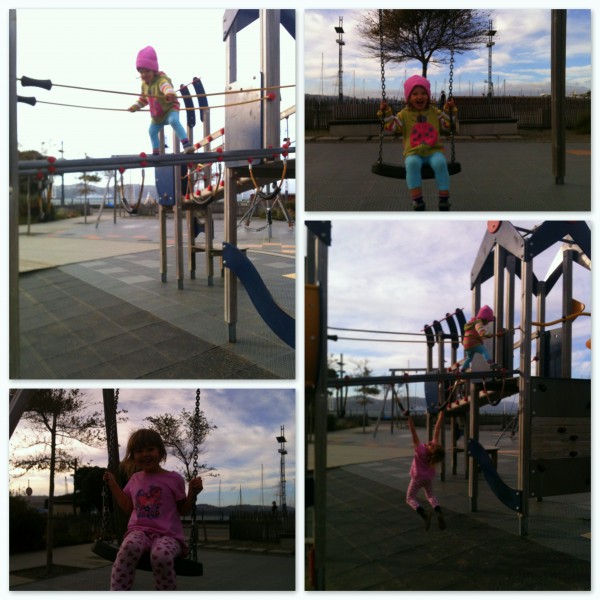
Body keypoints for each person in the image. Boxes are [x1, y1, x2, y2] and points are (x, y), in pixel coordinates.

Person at [103, 428, 203, 591]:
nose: (145, 454)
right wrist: (113, 485)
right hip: (139, 531)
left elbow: (183, 510)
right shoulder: (135, 479)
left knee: (161, 556)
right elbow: (129, 507)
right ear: (133, 456)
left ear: (160, 452)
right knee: (128, 548)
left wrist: (192, 493)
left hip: (168, 535)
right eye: (139, 451)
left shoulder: (174, 479)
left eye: (150, 449)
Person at [377, 74, 458, 211]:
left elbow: (446, 125)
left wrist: (448, 111)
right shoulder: (404, 114)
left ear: (428, 96)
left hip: (433, 151)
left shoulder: (434, 112)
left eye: (423, 93)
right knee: (411, 164)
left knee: (440, 163)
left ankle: (444, 198)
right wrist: (386, 114)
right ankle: (417, 199)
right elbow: (393, 127)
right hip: (413, 152)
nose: (419, 97)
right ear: (408, 97)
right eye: (415, 94)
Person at [129, 46, 195, 155]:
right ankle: (156, 152)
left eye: (147, 71)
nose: (144, 75)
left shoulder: (160, 80)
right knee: (152, 131)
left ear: (154, 70)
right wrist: (135, 107)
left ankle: (187, 145)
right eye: (141, 72)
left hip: (169, 109)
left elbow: (166, 87)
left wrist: (169, 93)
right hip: (158, 115)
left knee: (174, 121)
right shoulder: (144, 86)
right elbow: (143, 99)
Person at [404, 408, 447, 531]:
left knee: (409, 498)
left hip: (417, 478)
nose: (428, 442)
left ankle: (424, 514)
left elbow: (413, 433)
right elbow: (437, 429)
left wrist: (409, 417)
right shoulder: (433, 450)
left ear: (430, 446)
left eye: (429, 443)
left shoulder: (420, 450)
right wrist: (442, 414)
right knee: (430, 496)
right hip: (427, 479)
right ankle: (438, 512)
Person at [461, 304, 498, 372]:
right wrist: (485, 333)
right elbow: (480, 330)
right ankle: (491, 363)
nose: (487, 323)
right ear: (485, 318)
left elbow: (479, 336)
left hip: (466, 344)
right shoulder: (478, 322)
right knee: (484, 351)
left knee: (469, 358)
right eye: (488, 321)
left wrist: (487, 336)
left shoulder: (471, 323)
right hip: (473, 342)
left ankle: (463, 369)